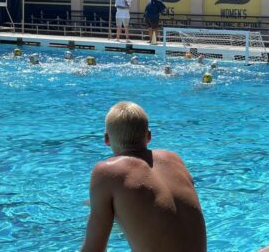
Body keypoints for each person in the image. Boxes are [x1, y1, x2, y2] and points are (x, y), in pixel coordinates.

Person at [81, 101, 206, 251]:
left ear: (107, 139)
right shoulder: (174, 159)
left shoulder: (107, 172)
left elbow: (93, 249)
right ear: (148, 136)